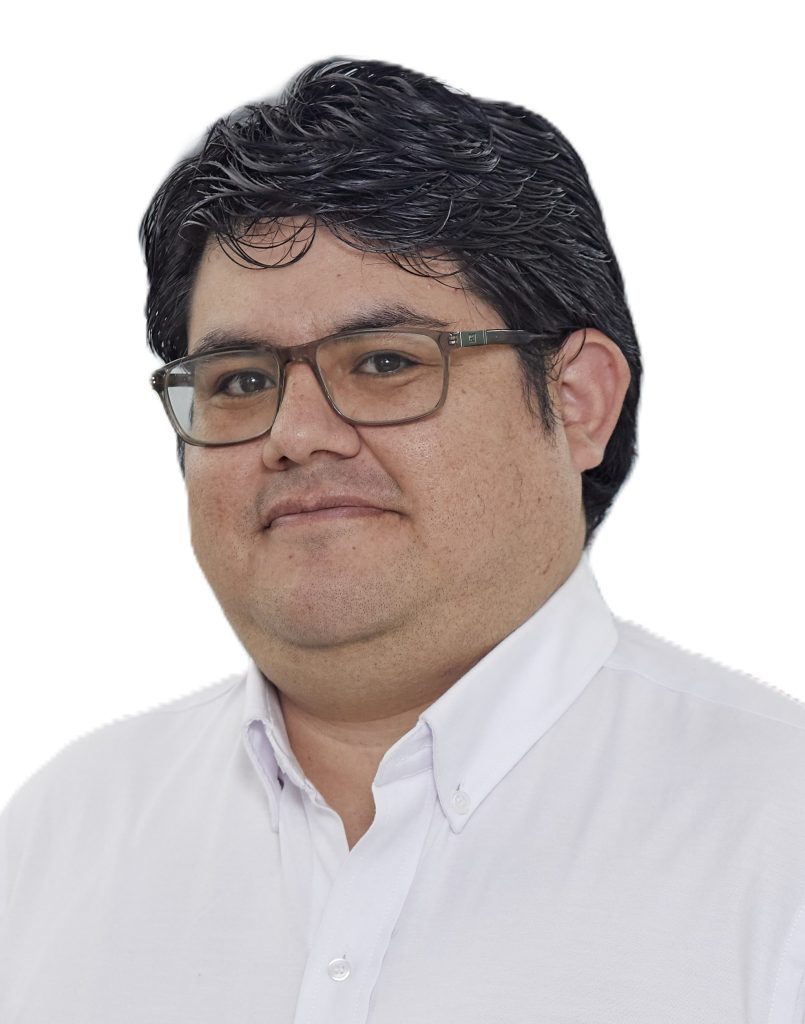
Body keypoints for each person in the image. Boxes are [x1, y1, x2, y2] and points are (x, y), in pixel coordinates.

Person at [1, 57, 803, 1024]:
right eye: (241, 381)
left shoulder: (777, 835)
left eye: (383, 362)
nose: (297, 434)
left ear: (577, 401)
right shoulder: (59, 840)